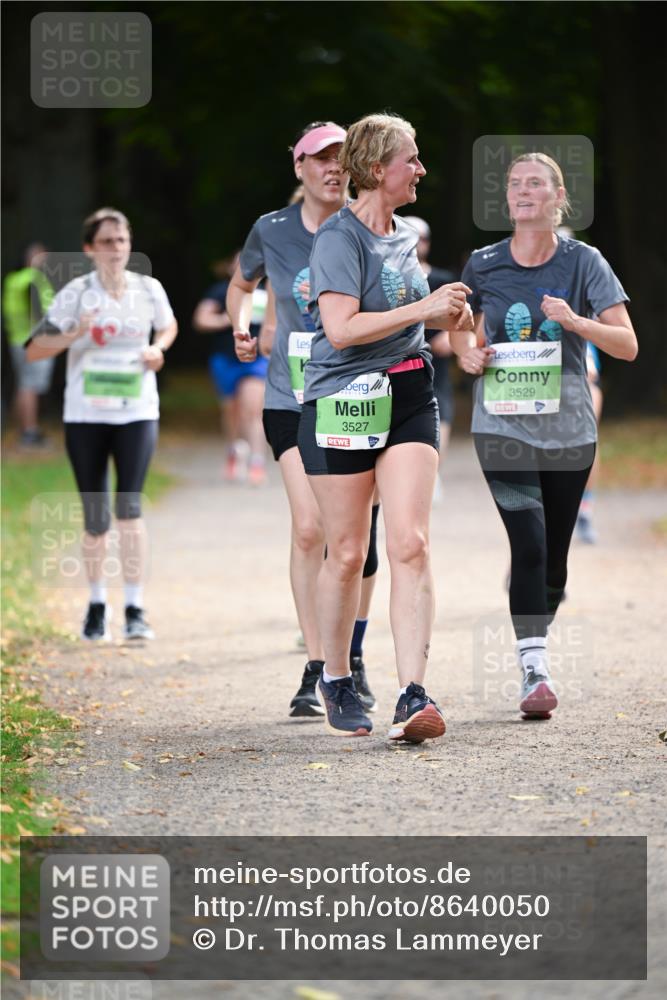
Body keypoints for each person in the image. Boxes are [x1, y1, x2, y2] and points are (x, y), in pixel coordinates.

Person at [297, 112, 473, 740]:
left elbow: (417, 317)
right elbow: (341, 330)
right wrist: (424, 308)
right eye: (412, 159)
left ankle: (413, 694)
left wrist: (459, 330)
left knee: (411, 544)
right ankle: (336, 676)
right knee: (347, 552)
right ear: (378, 169)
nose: (421, 169)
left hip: (409, 393)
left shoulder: (403, 236)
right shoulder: (337, 240)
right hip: (341, 399)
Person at [452, 152, 637, 718]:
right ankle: (535, 668)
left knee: (553, 559)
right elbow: (461, 333)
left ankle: (537, 619)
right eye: (515, 184)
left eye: (536, 183)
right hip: (501, 428)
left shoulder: (585, 262)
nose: (524, 191)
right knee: (528, 543)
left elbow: (627, 344)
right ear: (506, 200)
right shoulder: (481, 265)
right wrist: (468, 355)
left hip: (569, 431)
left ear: (559, 199)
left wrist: (577, 321)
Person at [227, 122, 380, 719]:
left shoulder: (370, 225)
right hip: (291, 398)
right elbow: (243, 284)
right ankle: (317, 666)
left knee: (358, 542)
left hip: (361, 396)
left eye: (343, 158)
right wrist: (242, 327)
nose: (333, 167)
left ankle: (354, 656)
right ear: (300, 168)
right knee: (311, 526)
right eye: (320, 159)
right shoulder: (272, 229)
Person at [25, 207, 178, 641]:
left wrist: (157, 350)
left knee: (129, 508)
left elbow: (168, 327)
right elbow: (35, 350)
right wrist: (74, 332)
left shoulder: (148, 289)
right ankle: (96, 605)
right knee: (96, 516)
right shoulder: (76, 292)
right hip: (86, 415)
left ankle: (134, 607)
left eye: (123, 241)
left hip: (136, 412)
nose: (116, 249)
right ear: (90, 249)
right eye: (107, 242)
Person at [193, 255, 268, 485]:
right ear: (229, 267)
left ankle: (257, 462)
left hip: (257, 359)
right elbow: (201, 319)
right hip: (225, 358)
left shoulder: (268, 293)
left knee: (253, 409)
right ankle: (235, 451)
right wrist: (231, 319)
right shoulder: (220, 291)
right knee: (232, 411)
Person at [402, 217, 457, 493]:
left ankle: (431, 475)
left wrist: (449, 338)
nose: (416, 243)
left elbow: (462, 319)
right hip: (401, 366)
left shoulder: (442, 280)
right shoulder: (392, 279)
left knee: (441, 428)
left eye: (421, 238)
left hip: (437, 371)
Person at [3, 243, 55, 447]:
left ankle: (21, 429)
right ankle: (29, 432)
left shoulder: (13, 279)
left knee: (24, 384)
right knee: (30, 386)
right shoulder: (32, 279)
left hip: (17, 338)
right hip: (34, 339)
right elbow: (38, 311)